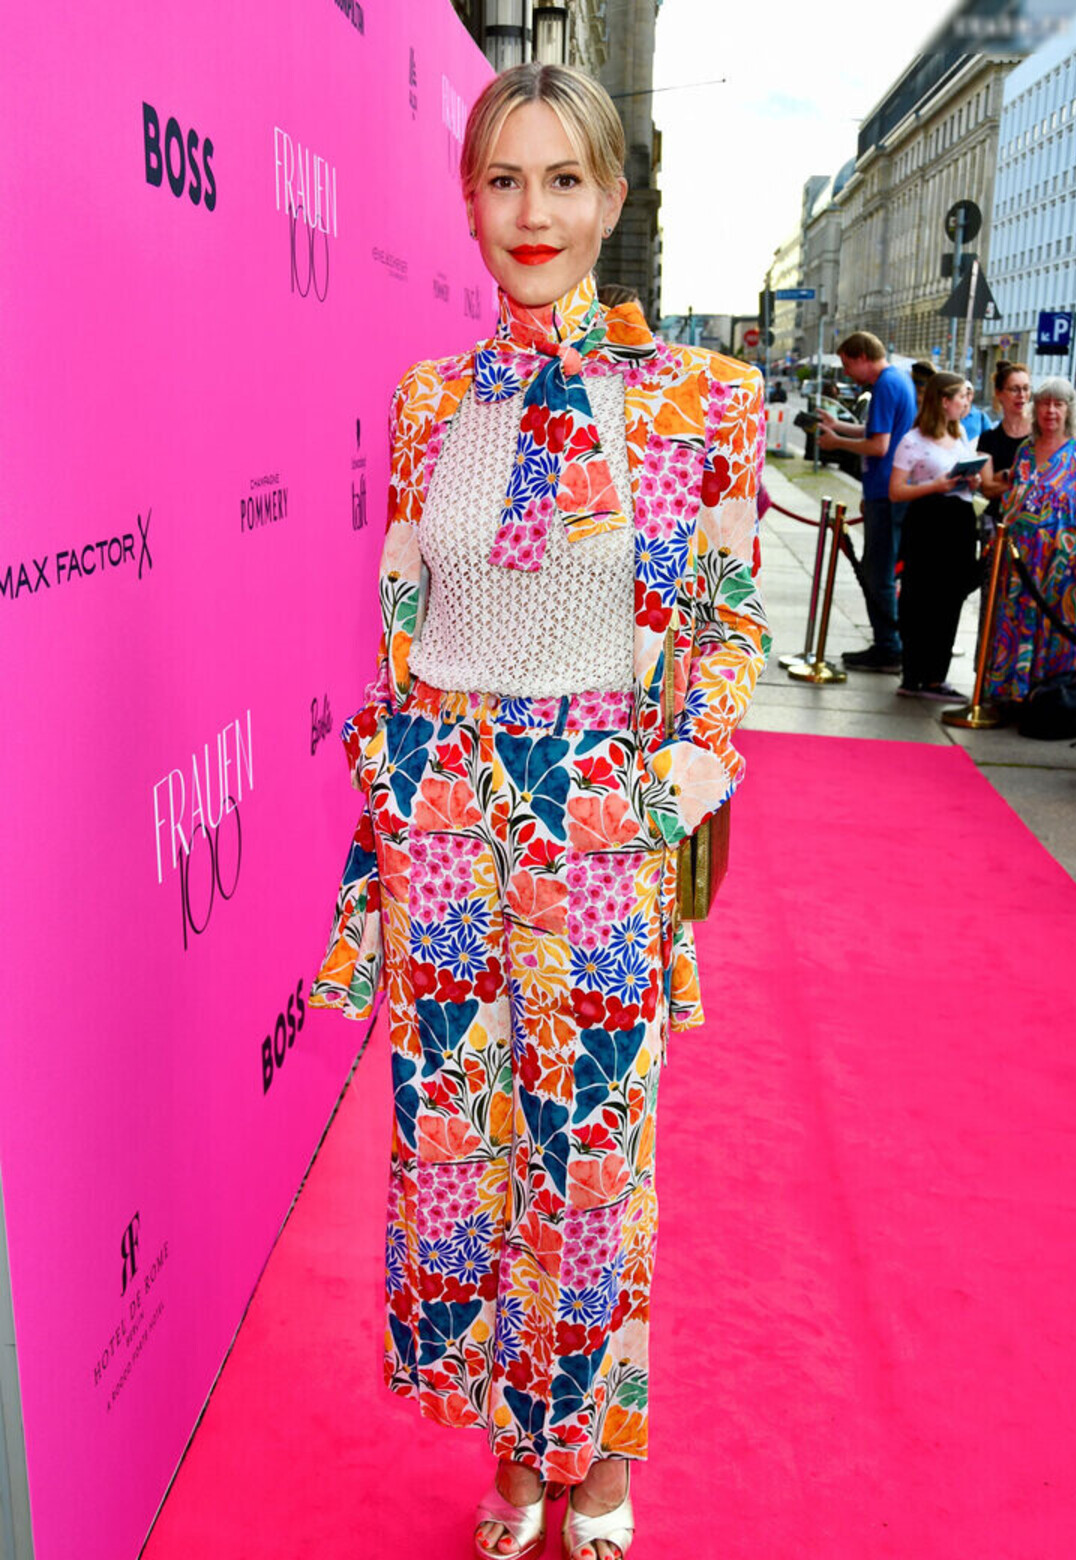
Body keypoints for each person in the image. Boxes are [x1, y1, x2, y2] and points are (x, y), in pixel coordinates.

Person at [310, 62, 769, 1560]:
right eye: (503, 179)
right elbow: (406, 620)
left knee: (592, 1161)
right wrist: (392, 816)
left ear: (612, 198)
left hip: (600, 820)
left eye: (564, 178)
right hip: (445, 815)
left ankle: (603, 1452)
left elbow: (727, 624)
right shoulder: (428, 403)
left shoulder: (704, 401)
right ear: (467, 200)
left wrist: (667, 788)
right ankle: (516, 1448)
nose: (533, 212)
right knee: (460, 1154)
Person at [817, 330, 916, 672]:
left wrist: (836, 442)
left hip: (886, 492)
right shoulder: (896, 380)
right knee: (881, 571)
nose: (846, 373)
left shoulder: (885, 385)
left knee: (879, 574)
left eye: (847, 365)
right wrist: (840, 427)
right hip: (887, 489)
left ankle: (889, 647)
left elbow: (879, 445)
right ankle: (888, 643)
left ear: (862, 357)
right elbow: (876, 431)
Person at [888, 372, 985, 699]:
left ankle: (936, 676)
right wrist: (936, 485)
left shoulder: (960, 435)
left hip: (959, 522)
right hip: (927, 521)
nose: (966, 403)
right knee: (919, 597)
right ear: (944, 401)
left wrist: (972, 481)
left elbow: (965, 474)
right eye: (961, 397)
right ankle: (913, 674)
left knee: (950, 597)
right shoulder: (913, 440)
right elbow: (896, 490)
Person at [985, 377, 1076, 709]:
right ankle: (1013, 691)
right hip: (1020, 556)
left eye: (1058, 404)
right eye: (1044, 403)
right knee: (1015, 618)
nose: (1050, 411)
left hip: (1063, 560)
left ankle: (1050, 699)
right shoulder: (1025, 450)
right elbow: (1014, 496)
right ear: (1035, 409)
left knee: (1056, 625)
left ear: (1068, 410)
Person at [978, 361, 1032, 532]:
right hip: (997, 523)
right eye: (1014, 389)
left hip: (1033, 523)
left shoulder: (1040, 435)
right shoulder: (988, 438)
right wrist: (1024, 481)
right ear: (999, 393)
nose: (1021, 395)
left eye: (1026, 388)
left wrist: (1005, 477)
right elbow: (987, 488)